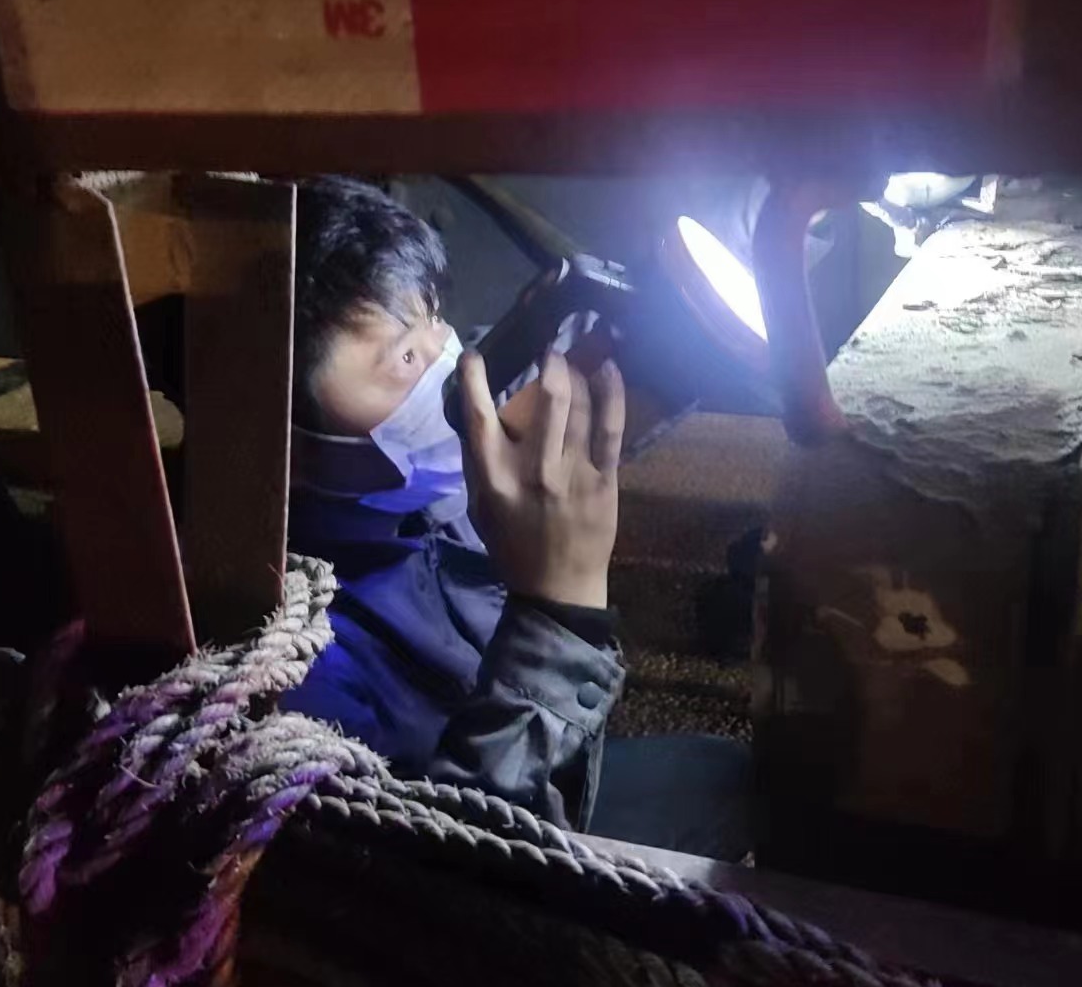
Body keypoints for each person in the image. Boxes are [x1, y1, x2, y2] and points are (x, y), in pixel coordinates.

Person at [280, 177, 749, 859]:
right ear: (287, 443)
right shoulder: (306, 667)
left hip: (548, 748)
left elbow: (551, 396)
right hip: (488, 833)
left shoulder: (412, 482)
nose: (448, 365)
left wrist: (664, 353)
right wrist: (559, 615)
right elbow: (449, 880)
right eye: (404, 357)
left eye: (434, 319)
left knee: (726, 776)